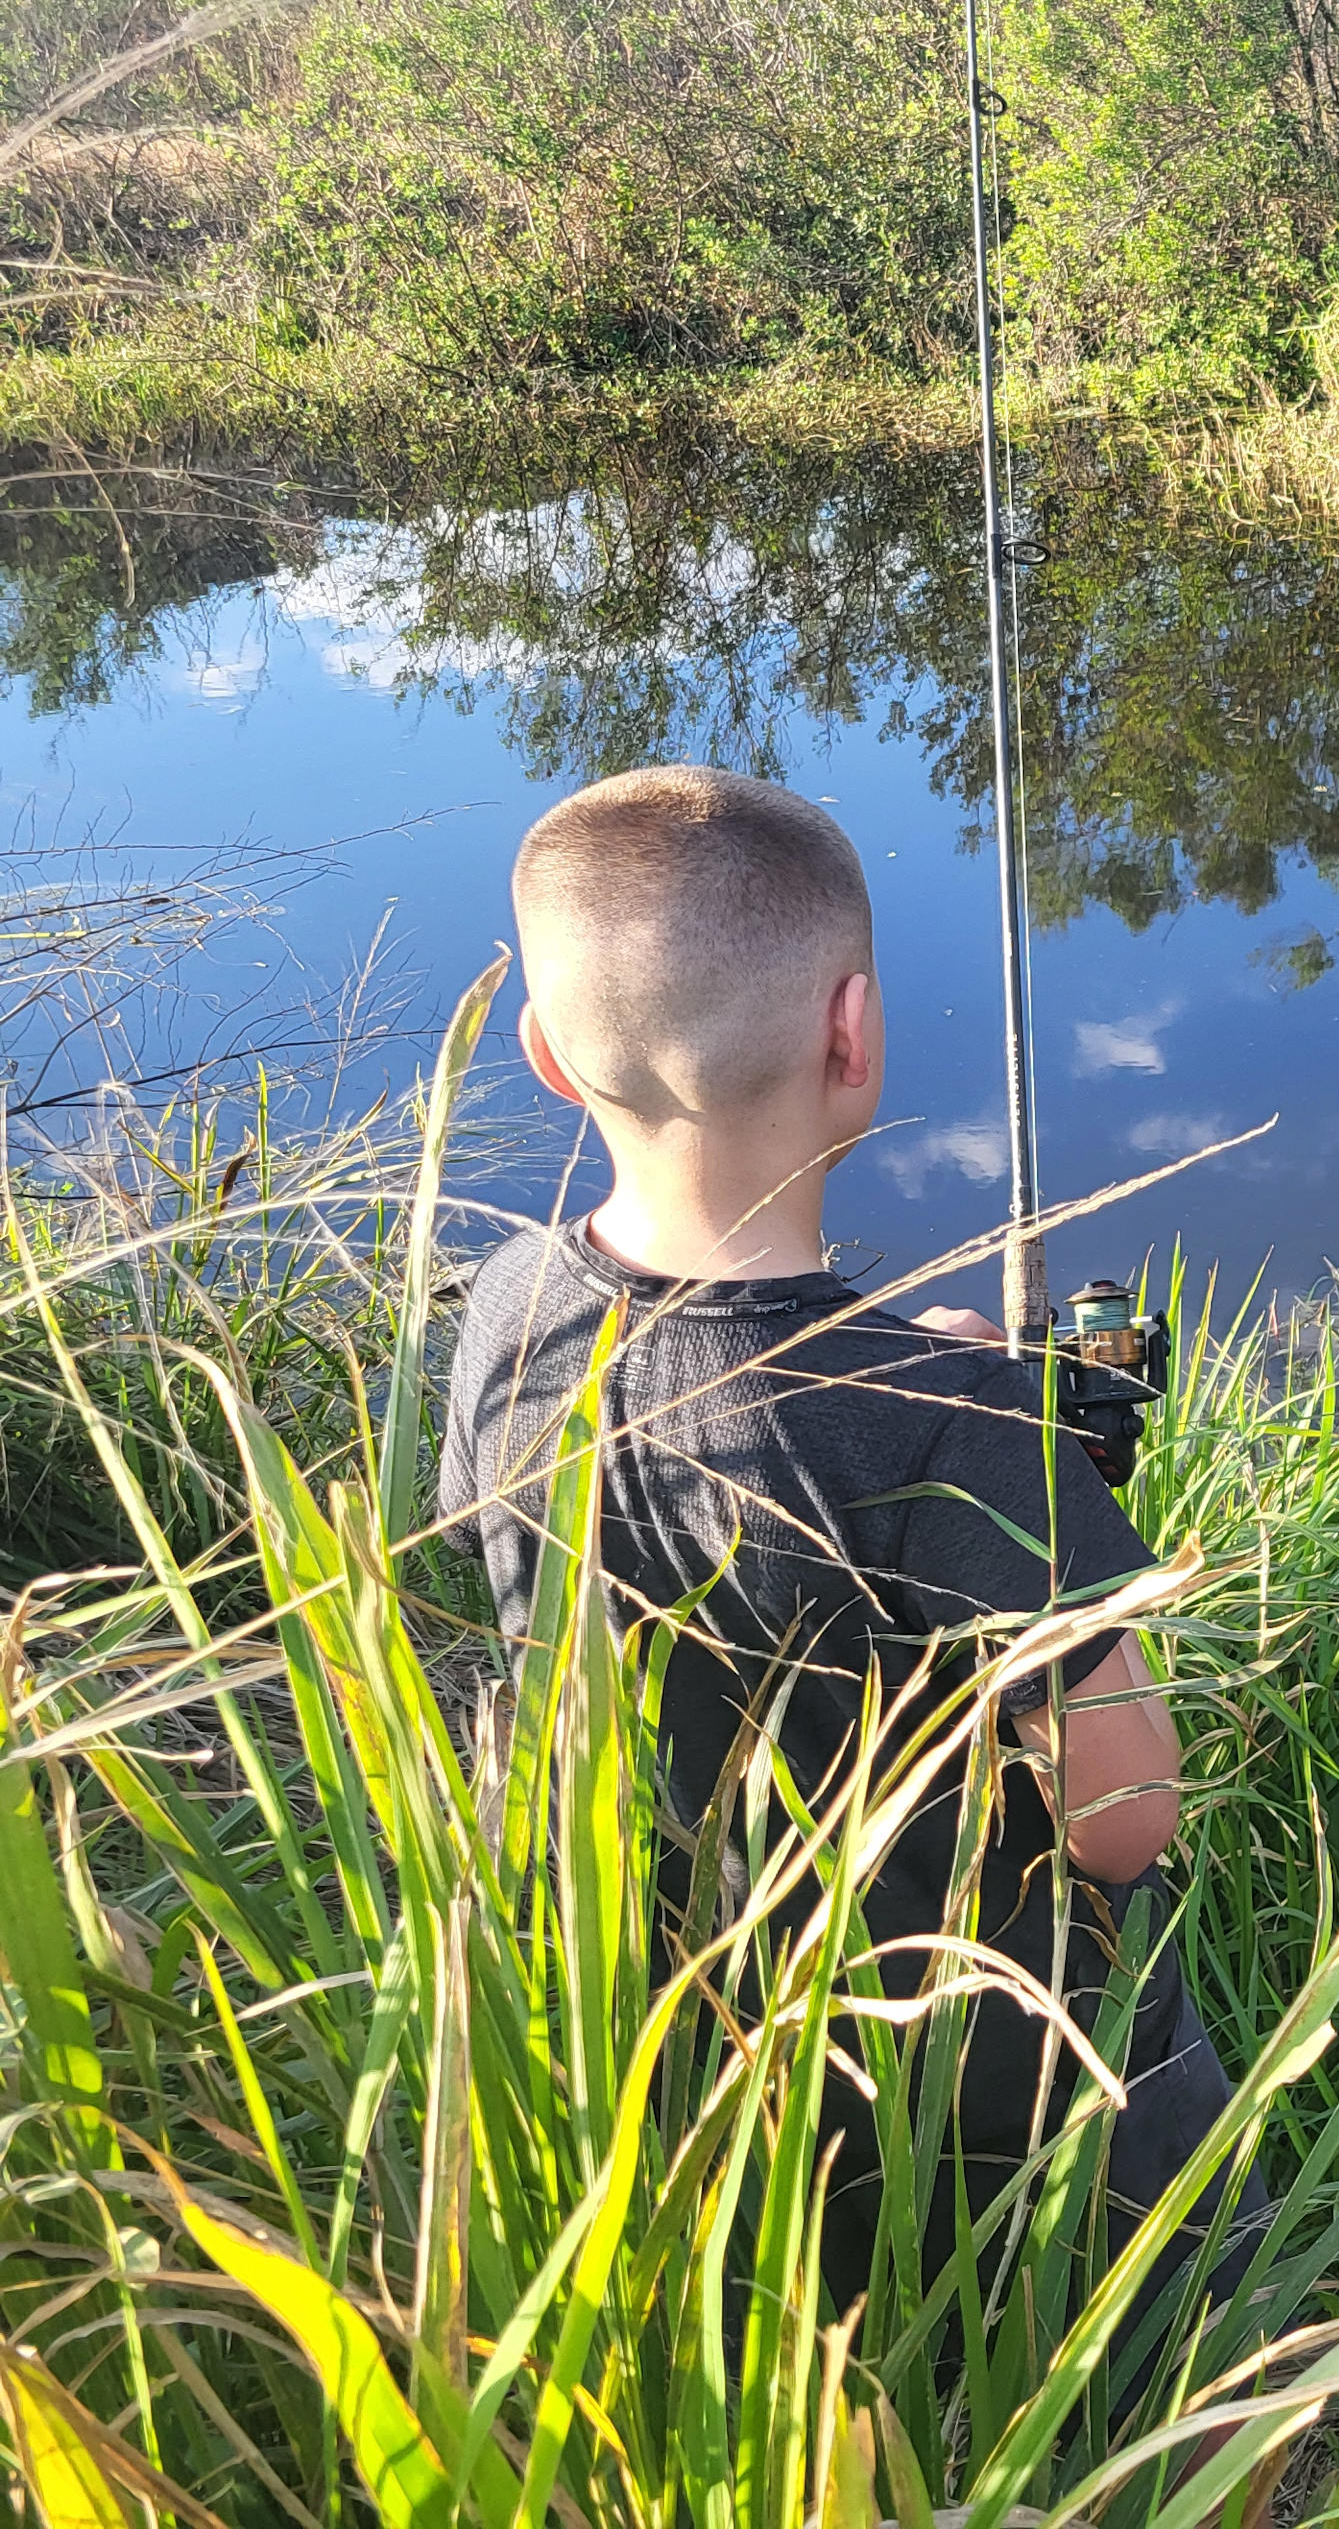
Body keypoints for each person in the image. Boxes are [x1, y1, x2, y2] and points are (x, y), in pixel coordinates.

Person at [440, 764, 1245, 2343]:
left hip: (668, 2032)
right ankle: (1165, 2345)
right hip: (957, 2080)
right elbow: (1126, 1823)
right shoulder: (959, 1429)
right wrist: (1020, 1466)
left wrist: (933, 1389)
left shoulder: (503, 1312)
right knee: (1155, 2073)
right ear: (855, 1036)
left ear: (545, 1054)